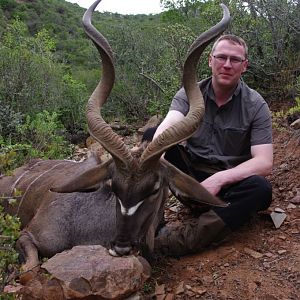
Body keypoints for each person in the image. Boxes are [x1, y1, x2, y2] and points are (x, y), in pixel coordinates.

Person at [144, 34, 273, 257]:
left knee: (261, 189)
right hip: (189, 178)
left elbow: (264, 161)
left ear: (244, 66)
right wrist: (156, 154)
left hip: (226, 188)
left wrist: (219, 179)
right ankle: (152, 225)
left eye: (235, 60)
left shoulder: (256, 105)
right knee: (152, 137)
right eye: (221, 57)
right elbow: (169, 124)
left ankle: (174, 243)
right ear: (210, 61)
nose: (227, 65)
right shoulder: (189, 93)